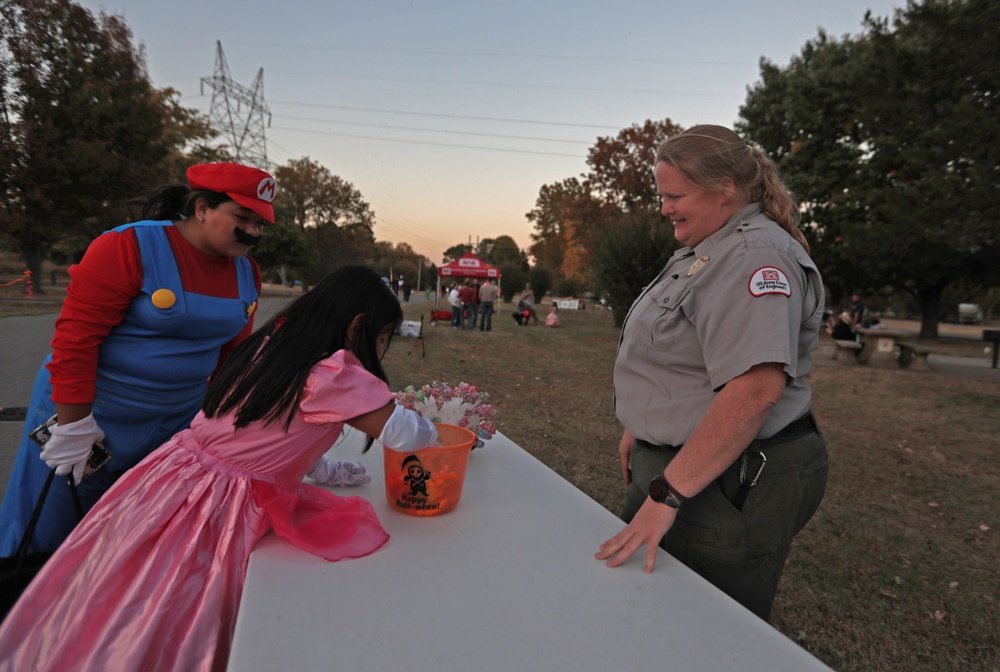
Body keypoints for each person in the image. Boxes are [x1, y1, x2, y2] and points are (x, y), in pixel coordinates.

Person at [0, 266, 439, 670]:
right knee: (183, 601)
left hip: (168, 478)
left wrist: (321, 470)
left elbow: (266, 436)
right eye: (383, 338)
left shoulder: (271, 345)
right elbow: (406, 436)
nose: (381, 349)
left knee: (123, 585)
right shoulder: (334, 374)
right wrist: (441, 433)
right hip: (215, 507)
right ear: (357, 326)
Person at [596, 125, 829, 621]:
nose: (664, 209)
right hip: (686, 466)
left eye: (675, 196)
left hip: (729, 476)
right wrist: (639, 427)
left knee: (702, 626)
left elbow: (754, 392)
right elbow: (684, 356)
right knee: (637, 610)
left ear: (724, 189)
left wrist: (666, 496)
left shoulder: (753, 256)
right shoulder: (708, 249)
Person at [0, 162, 275, 555]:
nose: (253, 232)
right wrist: (74, 424)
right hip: (92, 420)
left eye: (261, 224)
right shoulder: (128, 246)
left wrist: (230, 425)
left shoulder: (247, 272)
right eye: (242, 217)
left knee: (134, 538)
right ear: (201, 208)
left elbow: (232, 360)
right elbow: (75, 341)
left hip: (172, 429)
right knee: (49, 529)